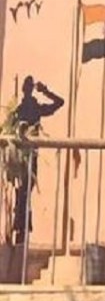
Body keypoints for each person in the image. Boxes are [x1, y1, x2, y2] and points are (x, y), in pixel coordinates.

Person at [13, 76, 64, 244]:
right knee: (24, 191)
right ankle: (21, 227)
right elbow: (59, 102)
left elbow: (60, 103)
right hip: (24, 156)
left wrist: (45, 91)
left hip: (25, 155)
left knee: (23, 191)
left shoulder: (22, 109)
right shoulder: (28, 109)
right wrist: (46, 91)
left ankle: (21, 227)